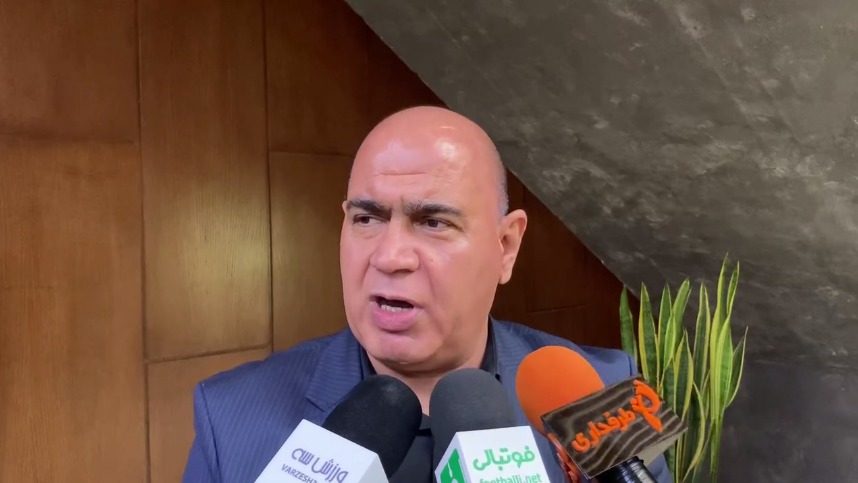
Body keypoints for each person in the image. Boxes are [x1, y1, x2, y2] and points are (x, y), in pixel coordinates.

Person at [181, 106, 671, 482]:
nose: (390, 256)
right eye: (367, 218)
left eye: (433, 222)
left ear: (505, 247)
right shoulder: (230, 416)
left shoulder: (602, 395)